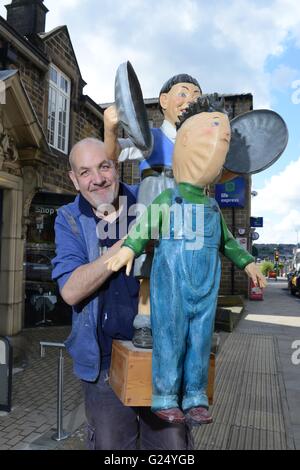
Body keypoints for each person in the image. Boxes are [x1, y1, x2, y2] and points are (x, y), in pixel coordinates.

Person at [106, 95, 267, 426]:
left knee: (200, 340)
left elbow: (228, 241)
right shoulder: (167, 199)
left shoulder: (213, 208)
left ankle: (195, 397)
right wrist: (128, 249)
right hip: (171, 285)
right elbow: (143, 228)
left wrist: (249, 262)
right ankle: (164, 396)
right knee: (168, 335)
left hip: (206, 288)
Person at [52, 137, 193, 450]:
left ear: (116, 165)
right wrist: (129, 243)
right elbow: (71, 291)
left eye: (104, 166)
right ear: (74, 180)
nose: (98, 179)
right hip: (102, 364)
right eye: (85, 172)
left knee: (171, 445)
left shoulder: (150, 202)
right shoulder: (69, 220)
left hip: (162, 358)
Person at [104, 74, 202, 348]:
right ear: (163, 100)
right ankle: (144, 323)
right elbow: (113, 155)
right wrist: (110, 130)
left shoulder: (199, 144)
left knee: (185, 264)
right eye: (183, 93)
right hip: (155, 198)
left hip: (187, 207)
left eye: (195, 96)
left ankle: (179, 323)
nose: (189, 101)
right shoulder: (150, 137)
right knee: (148, 262)